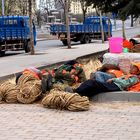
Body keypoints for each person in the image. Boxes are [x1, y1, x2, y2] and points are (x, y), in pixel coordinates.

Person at [67, 62, 140, 98]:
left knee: (93, 83)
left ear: (137, 71)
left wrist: (114, 80)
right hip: (114, 84)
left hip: (116, 86)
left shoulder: (135, 78)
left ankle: (75, 92)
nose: (131, 68)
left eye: (133, 68)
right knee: (92, 86)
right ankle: (79, 94)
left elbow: (124, 84)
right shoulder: (129, 75)